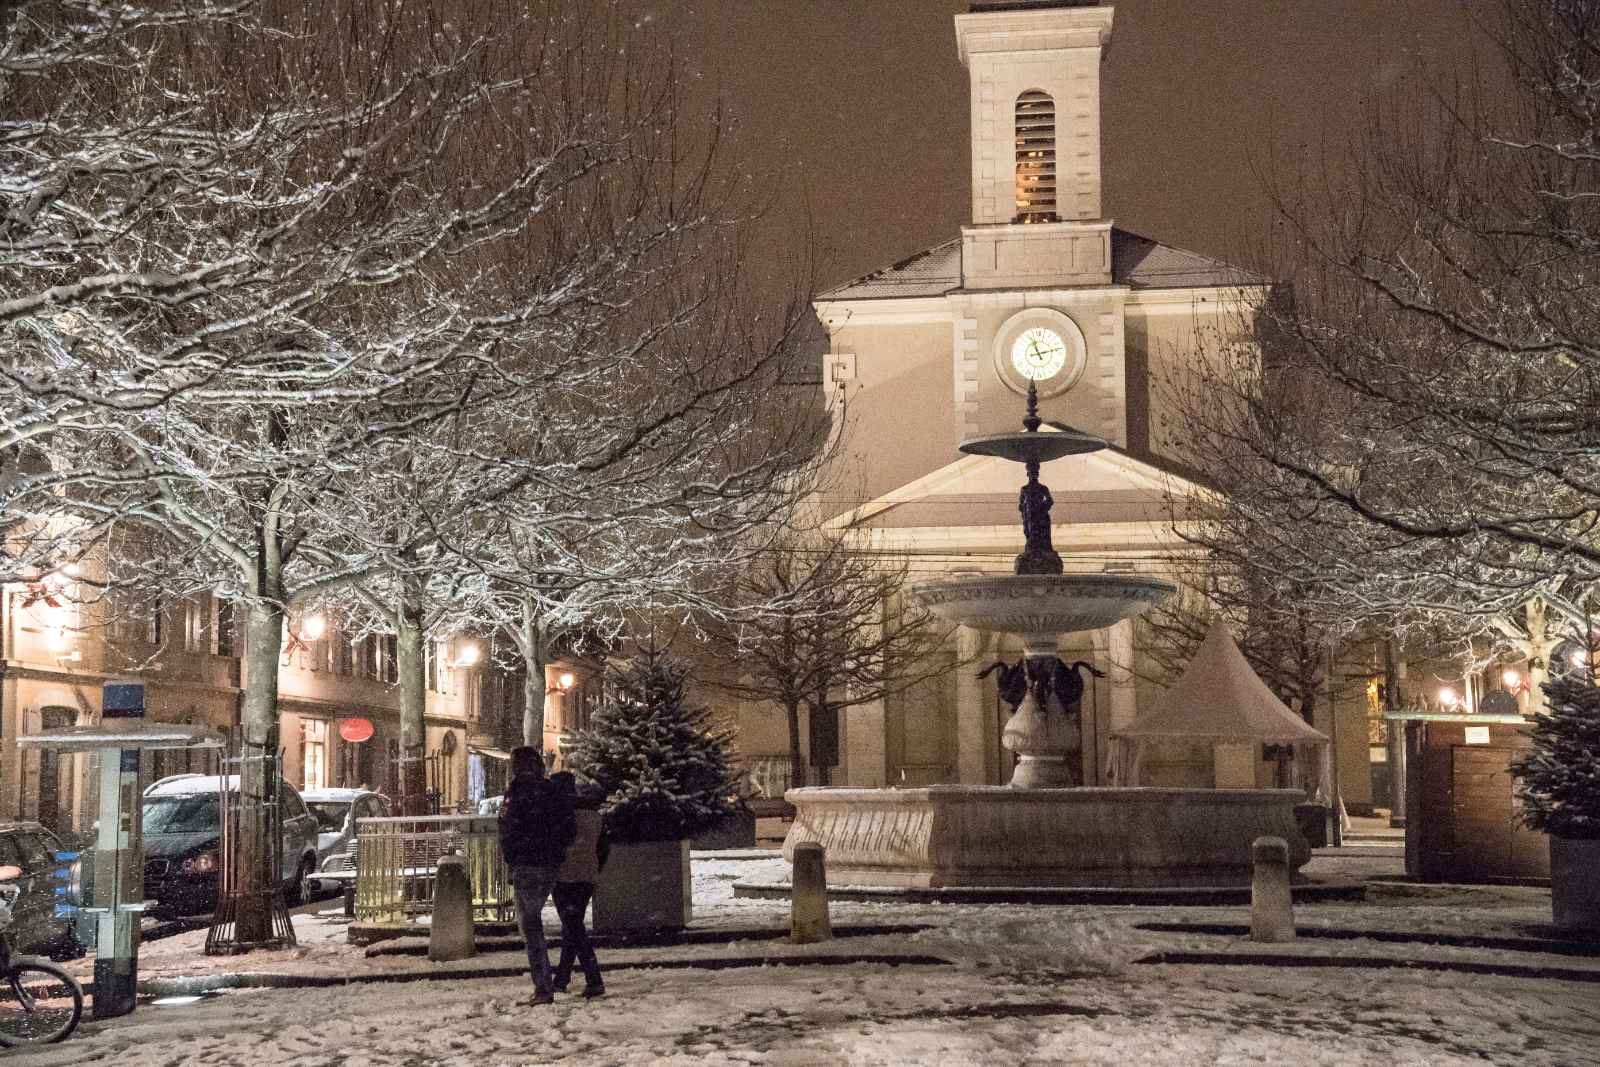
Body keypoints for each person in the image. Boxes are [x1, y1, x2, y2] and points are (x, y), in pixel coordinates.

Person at [498, 746, 575, 1005]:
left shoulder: (516, 792)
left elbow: (506, 828)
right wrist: (556, 849)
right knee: (557, 920)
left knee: (530, 927)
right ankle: (556, 979)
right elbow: (569, 827)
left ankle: (543, 986)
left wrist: (514, 856)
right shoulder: (550, 790)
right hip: (549, 863)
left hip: (527, 864)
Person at [549, 772, 607, 998]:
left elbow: (554, 845)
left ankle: (594, 979)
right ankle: (562, 977)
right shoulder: (594, 815)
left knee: (573, 928)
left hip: (564, 877)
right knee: (572, 927)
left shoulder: (560, 815)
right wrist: (594, 866)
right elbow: (603, 848)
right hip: (587, 876)